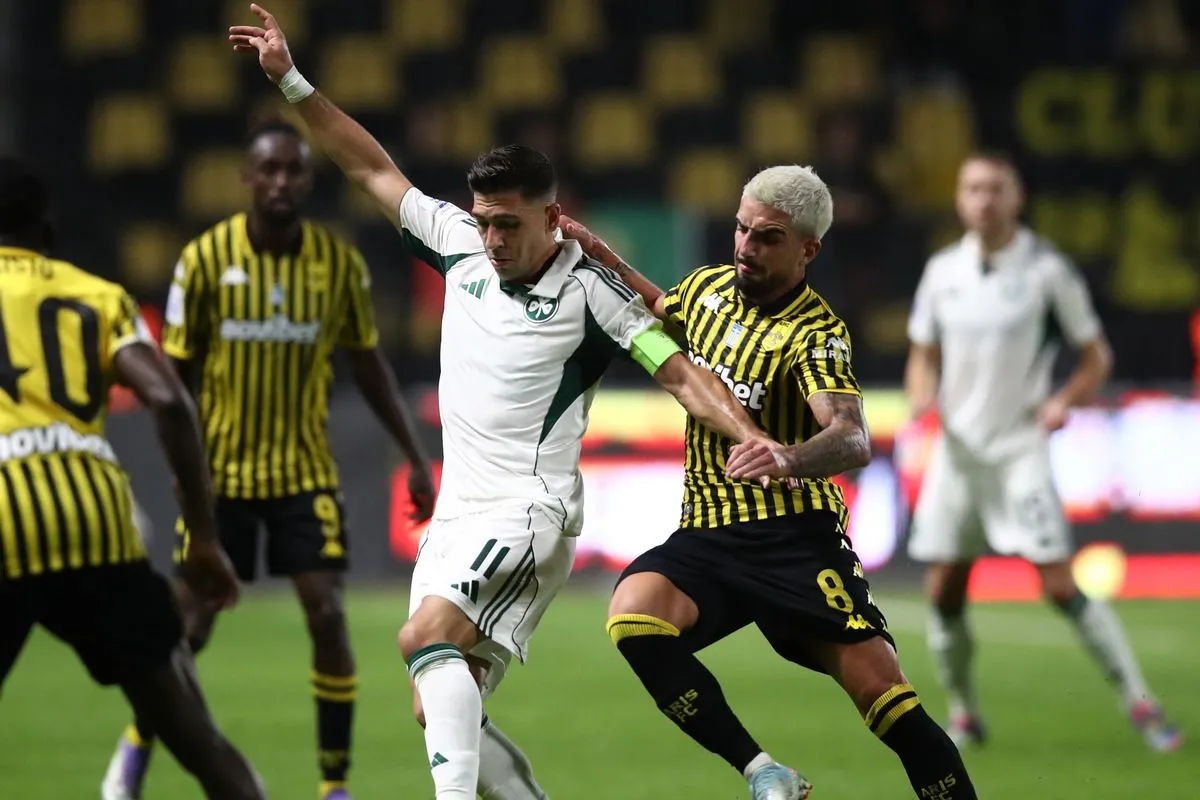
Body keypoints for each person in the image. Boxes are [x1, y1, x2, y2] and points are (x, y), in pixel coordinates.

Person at [229, 6, 786, 799]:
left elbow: (679, 374)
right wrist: (291, 80)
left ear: (553, 217)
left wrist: (751, 437)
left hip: (528, 513)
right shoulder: (457, 245)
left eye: (509, 224)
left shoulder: (592, 294)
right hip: (458, 516)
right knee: (437, 702)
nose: (492, 239)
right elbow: (369, 169)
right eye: (485, 221)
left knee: (423, 636)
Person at [559, 165, 981, 800]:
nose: (746, 247)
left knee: (886, 699)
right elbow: (661, 307)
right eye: (741, 229)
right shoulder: (707, 290)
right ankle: (762, 770)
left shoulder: (814, 333)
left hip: (796, 542)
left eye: (767, 238)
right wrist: (596, 251)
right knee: (634, 616)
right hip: (710, 535)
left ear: (808, 249)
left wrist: (787, 459)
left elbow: (852, 436)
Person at [101, 118, 437, 800]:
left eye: (293, 170)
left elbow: (368, 366)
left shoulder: (336, 265)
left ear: (308, 181)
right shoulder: (203, 261)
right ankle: (137, 743)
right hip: (220, 478)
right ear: (248, 179)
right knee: (188, 629)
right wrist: (183, 475)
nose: (281, 181)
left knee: (327, 614)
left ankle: (333, 786)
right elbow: (174, 380)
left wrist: (414, 454)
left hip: (303, 475)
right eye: (270, 170)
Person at [0, 157, 267, 800]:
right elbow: (170, 401)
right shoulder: (95, 295)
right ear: (47, 229)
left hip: (4, 516)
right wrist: (203, 537)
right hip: (94, 519)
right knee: (195, 736)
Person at [903, 151, 1183, 752]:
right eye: (973, 188)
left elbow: (1096, 356)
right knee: (944, 588)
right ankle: (964, 715)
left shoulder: (1046, 272)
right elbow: (923, 353)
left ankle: (1142, 703)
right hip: (958, 452)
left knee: (1058, 584)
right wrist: (921, 405)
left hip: (1018, 449)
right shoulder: (942, 271)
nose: (983, 199)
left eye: (995, 188)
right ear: (960, 199)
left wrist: (1063, 401)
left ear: (1016, 198)